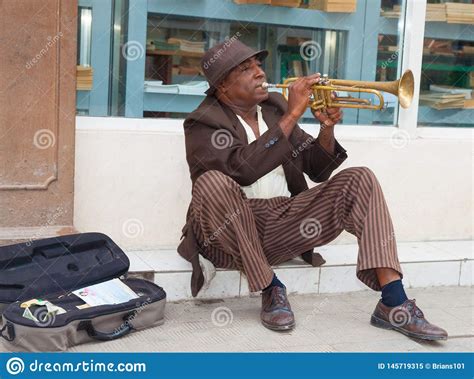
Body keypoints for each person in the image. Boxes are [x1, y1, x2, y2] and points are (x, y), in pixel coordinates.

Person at [177, 39, 447, 340]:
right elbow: (242, 170)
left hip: (280, 222)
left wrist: (326, 129)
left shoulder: (273, 108)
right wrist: (292, 116)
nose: (259, 73)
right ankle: (271, 288)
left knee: (361, 178)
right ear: (222, 87)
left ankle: (394, 303)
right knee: (212, 183)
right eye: (245, 68)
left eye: (257, 64)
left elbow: (318, 170)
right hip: (226, 236)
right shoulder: (202, 122)